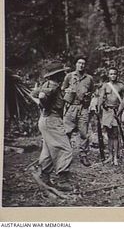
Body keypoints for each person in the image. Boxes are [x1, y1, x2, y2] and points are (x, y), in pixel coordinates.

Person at [32, 62, 73, 191]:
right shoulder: (53, 86)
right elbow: (41, 96)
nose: (64, 75)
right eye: (62, 73)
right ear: (57, 75)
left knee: (49, 149)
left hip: (46, 119)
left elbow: (35, 93)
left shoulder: (50, 85)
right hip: (52, 120)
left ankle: (45, 176)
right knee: (65, 149)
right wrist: (44, 103)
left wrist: (43, 104)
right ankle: (63, 179)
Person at [62, 57, 94, 167]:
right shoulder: (69, 76)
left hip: (83, 107)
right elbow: (62, 90)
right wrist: (68, 93)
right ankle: (65, 155)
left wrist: (88, 97)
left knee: (84, 132)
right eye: (79, 63)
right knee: (67, 131)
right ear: (75, 64)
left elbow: (92, 91)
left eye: (83, 63)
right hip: (71, 107)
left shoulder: (89, 78)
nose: (81, 65)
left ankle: (83, 155)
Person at [99, 67, 124, 166]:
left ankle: (115, 157)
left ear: (117, 75)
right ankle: (110, 155)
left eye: (114, 73)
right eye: (111, 74)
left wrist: (120, 111)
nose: (113, 75)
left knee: (115, 134)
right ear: (108, 75)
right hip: (107, 111)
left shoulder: (121, 86)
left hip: (117, 110)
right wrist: (99, 108)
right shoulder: (105, 86)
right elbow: (101, 98)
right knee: (109, 134)